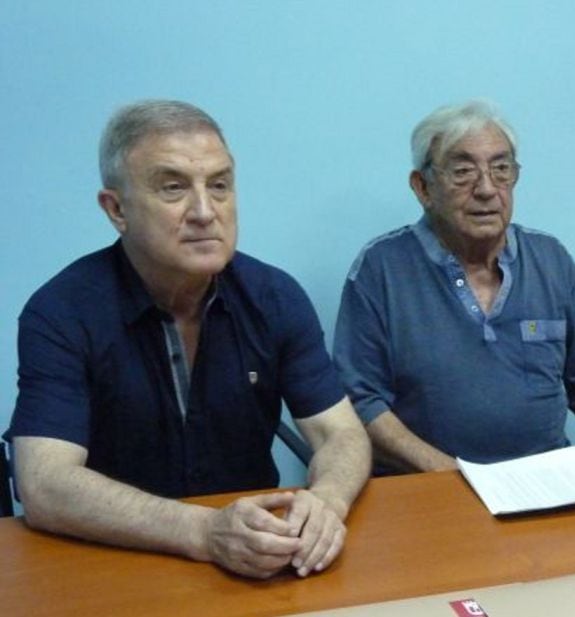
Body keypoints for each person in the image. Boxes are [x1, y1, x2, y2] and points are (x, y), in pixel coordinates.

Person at [4, 100, 372, 579]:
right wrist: (202, 531)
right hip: (115, 558)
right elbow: (45, 483)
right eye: (173, 187)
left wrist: (327, 501)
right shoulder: (61, 312)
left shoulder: (275, 297)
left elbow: (341, 433)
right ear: (117, 209)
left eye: (219, 185)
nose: (204, 211)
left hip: (256, 562)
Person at [333, 100, 575, 474]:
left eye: (501, 169)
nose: (487, 189)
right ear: (423, 187)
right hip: (429, 490)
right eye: (463, 171)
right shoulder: (381, 269)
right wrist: (458, 478)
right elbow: (361, 400)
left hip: (546, 483)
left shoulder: (550, 259)